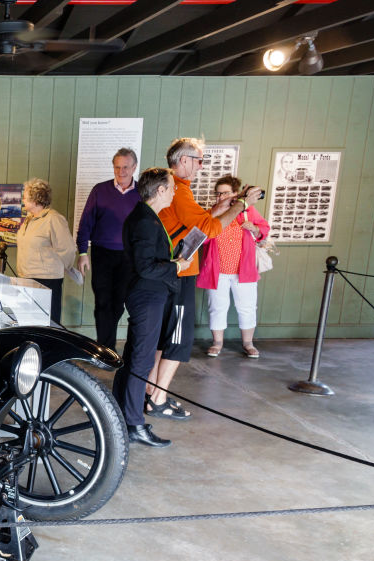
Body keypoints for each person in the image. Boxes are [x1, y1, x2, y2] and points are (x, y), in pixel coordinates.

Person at [146, 138, 263, 420]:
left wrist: (224, 205)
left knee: (163, 338)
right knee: (176, 340)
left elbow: (199, 221)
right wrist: (242, 204)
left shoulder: (177, 188)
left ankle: (151, 393)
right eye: (199, 160)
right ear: (184, 160)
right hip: (179, 273)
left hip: (172, 272)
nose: (201, 166)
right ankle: (157, 399)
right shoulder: (179, 190)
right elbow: (209, 229)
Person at [111, 167, 188, 448]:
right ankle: (133, 424)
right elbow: (145, 267)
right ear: (160, 190)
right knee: (142, 361)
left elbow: (148, 260)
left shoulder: (145, 216)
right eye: (172, 187)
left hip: (145, 294)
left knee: (134, 356)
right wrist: (176, 266)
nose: (175, 192)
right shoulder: (145, 220)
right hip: (146, 296)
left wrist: (173, 260)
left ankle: (118, 414)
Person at [75, 148, 141, 350]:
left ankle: (106, 347)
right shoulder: (100, 190)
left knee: (118, 303)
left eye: (125, 167)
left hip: (129, 256)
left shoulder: (142, 193)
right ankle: (106, 349)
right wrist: (83, 253)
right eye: (117, 167)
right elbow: (86, 222)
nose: (121, 172)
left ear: (134, 167)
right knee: (102, 302)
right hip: (102, 253)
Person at [198, 175, 271, 358]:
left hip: (243, 269)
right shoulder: (212, 212)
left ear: (236, 194)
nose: (221, 197)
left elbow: (264, 229)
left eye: (225, 193)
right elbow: (200, 237)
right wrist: (214, 214)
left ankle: (248, 343)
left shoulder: (248, 211)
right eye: (218, 193)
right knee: (217, 307)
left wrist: (254, 228)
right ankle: (217, 343)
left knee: (247, 307)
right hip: (217, 269)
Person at [16, 178, 76, 324]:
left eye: (25, 197)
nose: (23, 199)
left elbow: (68, 248)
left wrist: (66, 267)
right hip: (26, 279)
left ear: (36, 199)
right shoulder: (30, 219)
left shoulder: (54, 219)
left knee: (47, 324)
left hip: (47, 281)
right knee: (28, 323)